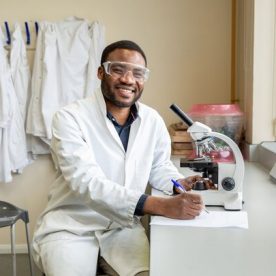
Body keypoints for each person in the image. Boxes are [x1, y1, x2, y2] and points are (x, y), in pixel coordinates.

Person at [32, 40, 204, 276]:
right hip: (72, 227)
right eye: (118, 69)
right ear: (101, 72)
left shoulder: (152, 120)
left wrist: (178, 184)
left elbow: (159, 166)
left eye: (137, 73)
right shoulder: (69, 118)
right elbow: (86, 182)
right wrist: (159, 205)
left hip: (123, 228)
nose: (128, 79)